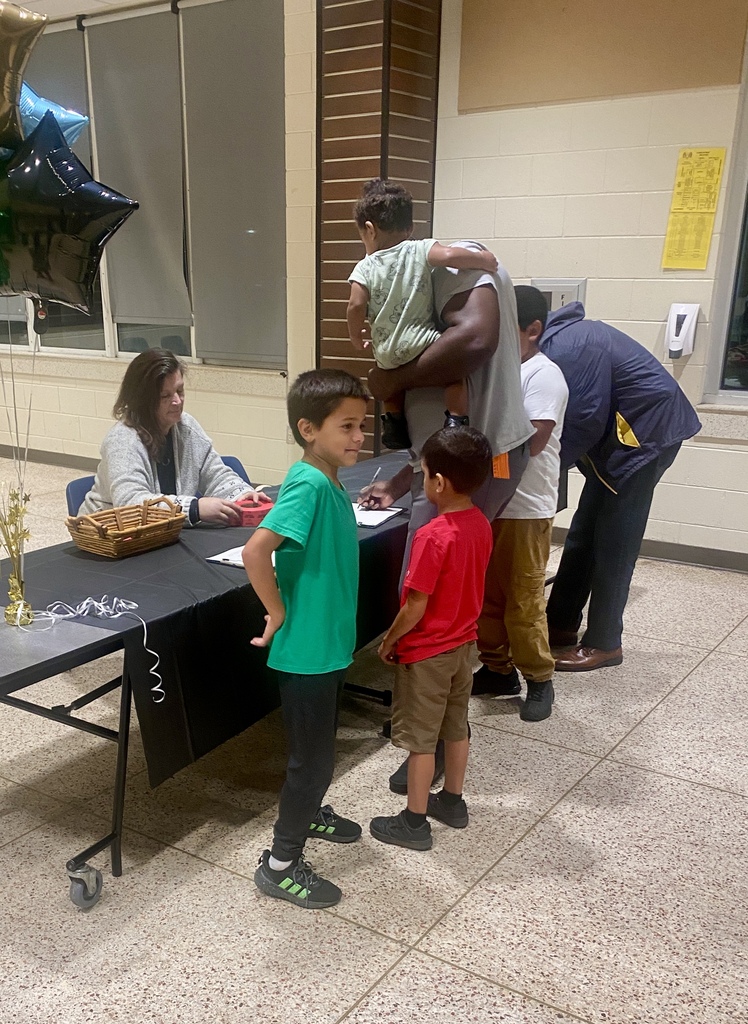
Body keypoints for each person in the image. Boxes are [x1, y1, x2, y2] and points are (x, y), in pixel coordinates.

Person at [359, 246, 533, 792]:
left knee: (427, 597)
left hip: (437, 645)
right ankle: (451, 718)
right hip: (461, 472)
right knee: (455, 591)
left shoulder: (451, 271)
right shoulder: (461, 503)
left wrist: (392, 639)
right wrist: (404, 478)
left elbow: (475, 341)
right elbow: (444, 457)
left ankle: (422, 746)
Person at [242, 369, 369, 910]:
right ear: (308, 429)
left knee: (317, 750)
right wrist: (275, 611)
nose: (359, 437)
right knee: (311, 762)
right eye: (347, 427)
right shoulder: (310, 483)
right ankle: (280, 864)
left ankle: (311, 810)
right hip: (308, 652)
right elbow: (255, 551)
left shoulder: (331, 479)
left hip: (328, 646)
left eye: (361, 426)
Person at [528, 289, 702, 671]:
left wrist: (536, 474)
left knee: (614, 543)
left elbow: (583, 419)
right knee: (583, 535)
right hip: (620, 442)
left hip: (643, 439)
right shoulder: (561, 341)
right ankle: (560, 624)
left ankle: (605, 642)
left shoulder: (568, 349)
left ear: (530, 329)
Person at [370, 427, 493, 850]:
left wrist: (389, 640)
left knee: (421, 741)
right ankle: (452, 802)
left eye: (423, 474)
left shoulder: (432, 536)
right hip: (464, 648)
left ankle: (414, 821)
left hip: (427, 654)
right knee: (456, 728)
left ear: (438, 482)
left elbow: (416, 606)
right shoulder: (481, 524)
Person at [471, 286, 568, 723]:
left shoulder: (544, 376)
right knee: (487, 596)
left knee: (523, 600)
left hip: (525, 509)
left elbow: (530, 441)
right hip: (489, 505)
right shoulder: (499, 371)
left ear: (533, 331)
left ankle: (539, 678)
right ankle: (496, 669)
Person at [347, 179, 498, 449]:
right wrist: (483, 260)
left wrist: (356, 335)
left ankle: (393, 422)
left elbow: (355, 305)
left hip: (386, 351)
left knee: (392, 382)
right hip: (422, 341)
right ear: (410, 227)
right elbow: (451, 256)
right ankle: (455, 419)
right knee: (453, 374)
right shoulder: (419, 248)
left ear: (369, 230)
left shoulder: (364, 267)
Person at [80, 348, 268, 525]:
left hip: (162, 532)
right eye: (165, 396)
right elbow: (130, 504)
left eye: (180, 391)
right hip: (109, 538)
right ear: (143, 400)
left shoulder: (186, 426)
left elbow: (215, 474)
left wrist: (241, 494)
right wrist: (194, 508)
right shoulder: (122, 441)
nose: (177, 401)